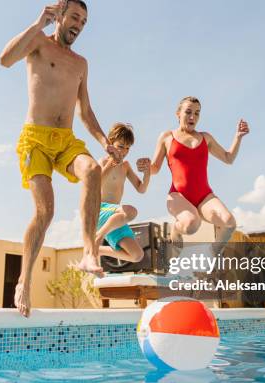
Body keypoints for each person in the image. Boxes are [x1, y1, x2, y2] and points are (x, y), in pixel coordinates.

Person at [0, 0, 119, 317]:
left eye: (85, 20)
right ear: (60, 16)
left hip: (64, 140)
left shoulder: (81, 63)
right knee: (45, 213)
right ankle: (24, 280)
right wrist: (38, 23)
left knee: (92, 169)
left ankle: (89, 252)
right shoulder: (38, 42)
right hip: (35, 140)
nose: (80, 24)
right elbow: (4, 60)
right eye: (76, 16)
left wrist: (104, 141)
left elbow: (86, 111)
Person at [150, 96, 250, 258]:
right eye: (188, 112)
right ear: (178, 114)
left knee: (229, 223)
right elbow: (154, 169)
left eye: (197, 113)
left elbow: (228, 158)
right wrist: (146, 166)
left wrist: (238, 137)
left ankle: (212, 254)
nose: (192, 117)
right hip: (178, 195)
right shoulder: (167, 137)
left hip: (204, 196)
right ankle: (175, 230)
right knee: (191, 225)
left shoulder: (205, 138)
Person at [96, 123, 151, 262]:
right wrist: (112, 162)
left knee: (137, 255)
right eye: (120, 146)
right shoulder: (102, 162)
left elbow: (141, 189)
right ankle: (98, 237)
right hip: (101, 211)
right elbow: (95, 185)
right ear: (110, 143)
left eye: (127, 148)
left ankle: (98, 249)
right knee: (130, 212)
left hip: (116, 218)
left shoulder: (126, 166)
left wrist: (147, 173)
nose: (124, 151)